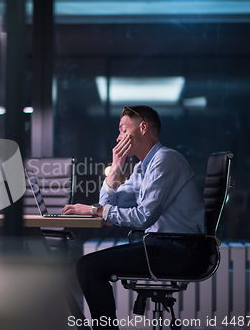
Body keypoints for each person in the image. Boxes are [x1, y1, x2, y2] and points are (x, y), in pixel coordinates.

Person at [61, 105, 205, 329]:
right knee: (87, 265)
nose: (118, 137)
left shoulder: (165, 160)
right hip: (162, 245)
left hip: (180, 250)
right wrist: (116, 168)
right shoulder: (143, 167)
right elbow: (107, 203)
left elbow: (143, 217)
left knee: (89, 267)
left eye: (122, 130)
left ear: (143, 127)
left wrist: (96, 210)